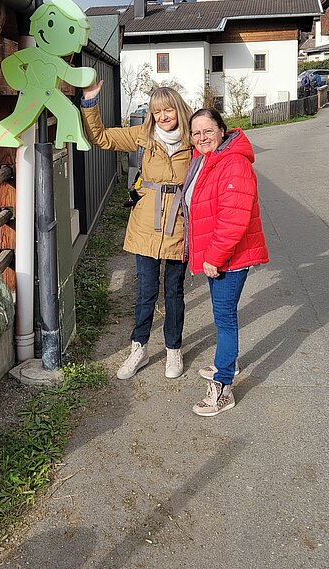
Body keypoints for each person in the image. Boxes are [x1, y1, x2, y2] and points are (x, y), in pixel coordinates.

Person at [81, 80, 192, 380]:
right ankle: (139, 349)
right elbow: (101, 138)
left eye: (168, 109)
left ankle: (173, 350)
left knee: (174, 292)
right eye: (158, 111)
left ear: (179, 110)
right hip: (145, 223)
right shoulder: (143, 137)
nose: (163, 116)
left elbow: (220, 151)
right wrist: (90, 102)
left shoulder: (193, 140)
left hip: (180, 224)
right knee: (145, 292)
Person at [182, 108, 269, 417]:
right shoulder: (207, 159)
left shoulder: (233, 163)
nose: (202, 137)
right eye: (196, 133)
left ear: (221, 130)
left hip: (228, 258)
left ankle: (224, 386)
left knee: (225, 319)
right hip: (216, 257)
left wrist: (213, 257)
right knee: (224, 316)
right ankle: (226, 362)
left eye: (208, 130)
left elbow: (233, 219)